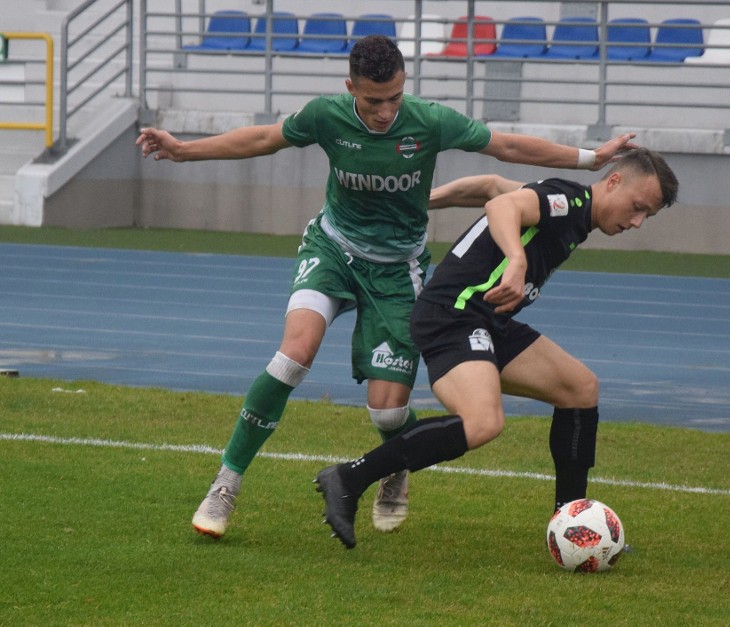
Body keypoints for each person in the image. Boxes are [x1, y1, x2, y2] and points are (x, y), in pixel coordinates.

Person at [136, 34, 637, 540]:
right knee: (294, 353)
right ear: (350, 87)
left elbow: (505, 145)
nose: (384, 111)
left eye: (394, 98)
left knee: (389, 408)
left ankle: (394, 468)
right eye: (373, 101)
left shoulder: (429, 120)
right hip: (333, 250)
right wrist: (184, 151)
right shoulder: (326, 116)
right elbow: (263, 138)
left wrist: (590, 158)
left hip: (400, 271)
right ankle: (226, 483)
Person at [315, 147, 679, 549]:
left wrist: (420, 201)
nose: (638, 222)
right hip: (452, 315)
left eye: (649, 216)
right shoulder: (568, 202)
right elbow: (502, 205)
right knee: (483, 422)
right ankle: (348, 478)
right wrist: (516, 259)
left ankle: (572, 521)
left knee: (580, 388)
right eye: (637, 207)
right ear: (614, 182)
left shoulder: (569, 206)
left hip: (487, 318)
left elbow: (490, 186)